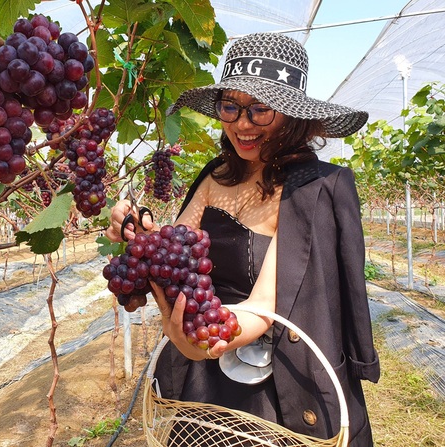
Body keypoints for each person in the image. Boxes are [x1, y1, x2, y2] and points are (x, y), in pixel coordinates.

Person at [105, 32, 380, 446]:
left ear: (292, 115)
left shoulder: (320, 187)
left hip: (280, 388)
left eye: (260, 110)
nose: (241, 124)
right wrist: (138, 235)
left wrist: (205, 340)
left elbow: (265, 306)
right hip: (206, 390)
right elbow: (176, 257)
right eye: (230, 107)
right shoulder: (216, 175)